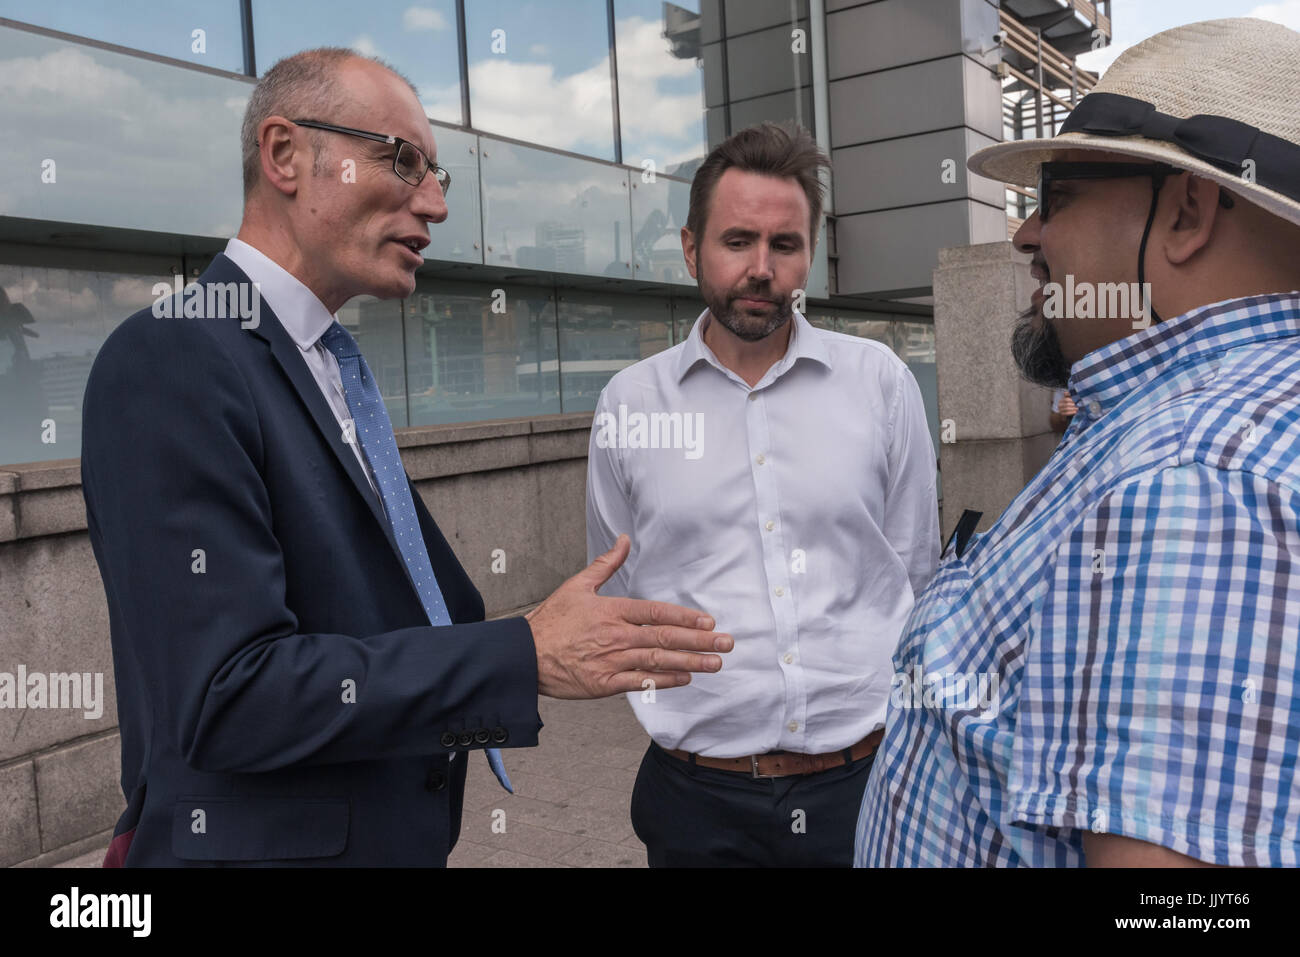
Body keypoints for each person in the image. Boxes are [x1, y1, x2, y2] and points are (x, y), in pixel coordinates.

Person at [81, 47, 731, 868]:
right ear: (284, 154)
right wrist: (523, 652)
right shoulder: (173, 357)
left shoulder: (324, 363)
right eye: (403, 160)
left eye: (440, 175)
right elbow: (228, 695)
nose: (435, 202)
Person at [855, 18, 1300, 867]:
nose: (1026, 233)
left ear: (1188, 212)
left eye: (1056, 197)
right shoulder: (1211, 429)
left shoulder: (1194, 480)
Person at [586, 122, 939, 867]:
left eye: (784, 245)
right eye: (737, 240)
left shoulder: (879, 381)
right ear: (691, 249)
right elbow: (617, 588)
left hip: (865, 788)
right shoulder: (631, 405)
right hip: (697, 805)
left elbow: (914, 572)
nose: (761, 268)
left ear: (808, 253)